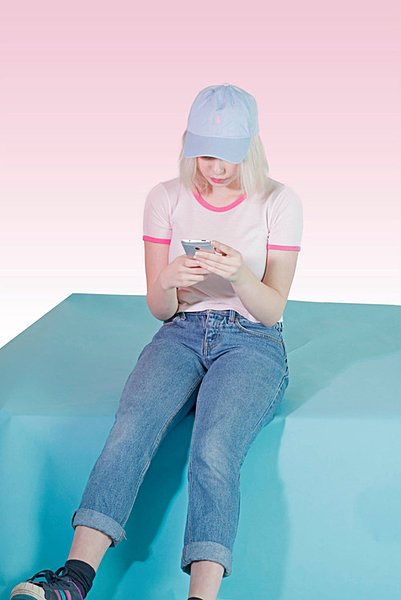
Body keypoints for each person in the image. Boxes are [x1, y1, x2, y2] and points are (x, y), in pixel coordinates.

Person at [10, 83, 303, 600]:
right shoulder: (164, 197)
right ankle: (73, 581)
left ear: (251, 147)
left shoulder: (280, 201)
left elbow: (273, 309)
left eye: (228, 155)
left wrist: (239, 274)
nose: (216, 168)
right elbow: (160, 308)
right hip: (181, 330)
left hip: (253, 340)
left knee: (214, 448)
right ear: (189, 145)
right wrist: (168, 279)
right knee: (130, 429)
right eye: (205, 153)